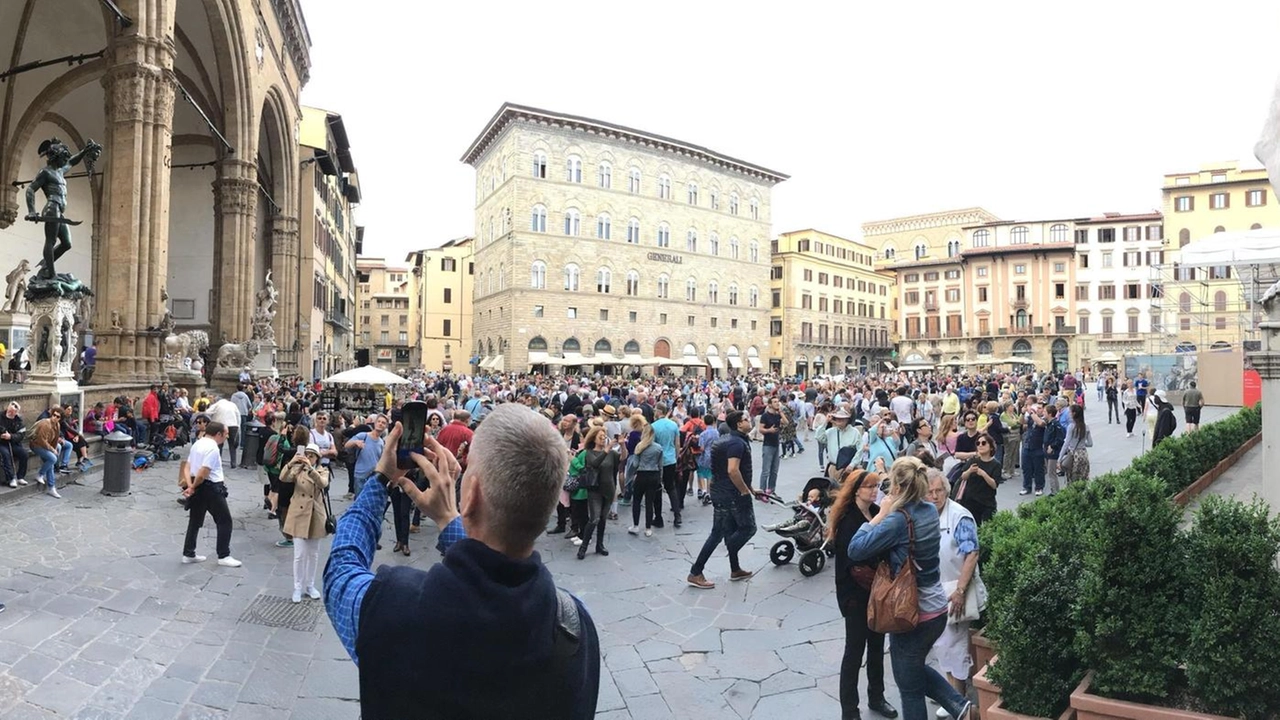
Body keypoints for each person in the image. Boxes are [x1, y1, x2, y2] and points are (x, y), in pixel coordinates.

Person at [322, 406, 600, 719]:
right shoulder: (574, 626)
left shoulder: (394, 604)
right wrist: (450, 519)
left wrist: (382, 479)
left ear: (470, 494)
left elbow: (341, 569)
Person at [847, 457, 973, 720]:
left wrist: (880, 514)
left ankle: (960, 706)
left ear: (896, 485)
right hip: (937, 608)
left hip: (910, 611)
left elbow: (855, 549)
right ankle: (961, 708)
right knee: (912, 669)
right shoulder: (928, 509)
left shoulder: (898, 520)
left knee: (909, 688)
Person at [829, 467, 898, 720]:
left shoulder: (876, 512)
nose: (874, 490)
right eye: (869, 486)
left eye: (876, 486)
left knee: (877, 646)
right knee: (854, 651)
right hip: (855, 595)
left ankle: (876, 696)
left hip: (876, 592)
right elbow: (853, 555)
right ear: (857, 489)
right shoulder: (849, 518)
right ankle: (849, 710)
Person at [926, 469, 986, 713]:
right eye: (929, 492)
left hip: (956, 588)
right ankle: (948, 692)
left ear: (946, 491)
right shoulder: (927, 514)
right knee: (941, 642)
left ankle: (957, 699)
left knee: (956, 642)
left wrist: (960, 590)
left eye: (938, 491)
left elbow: (971, 553)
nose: (934, 496)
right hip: (935, 589)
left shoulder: (959, 516)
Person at [686, 410, 756, 590]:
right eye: (746, 420)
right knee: (745, 528)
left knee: (725, 529)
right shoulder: (736, 443)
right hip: (732, 495)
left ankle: (734, 568)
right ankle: (696, 571)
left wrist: (751, 488)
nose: (750, 422)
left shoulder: (724, 440)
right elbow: (733, 470)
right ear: (739, 424)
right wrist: (744, 491)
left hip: (720, 491)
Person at [181, 421, 242, 567]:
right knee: (224, 521)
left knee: (195, 520)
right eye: (226, 434)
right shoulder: (213, 448)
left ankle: (188, 553)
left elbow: (187, 466)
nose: (226, 437)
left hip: (198, 485)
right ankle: (223, 555)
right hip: (211, 487)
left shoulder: (198, 443)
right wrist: (193, 486)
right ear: (219, 434)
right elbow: (204, 472)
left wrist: (190, 485)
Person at [281, 444, 329, 603]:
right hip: (298, 514)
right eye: (306, 454)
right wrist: (293, 461)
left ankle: (310, 585)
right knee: (299, 554)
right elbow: (283, 477)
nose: (308, 458)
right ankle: (297, 587)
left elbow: (323, 483)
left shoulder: (322, 470)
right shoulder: (297, 470)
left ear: (317, 458)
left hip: (315, 515)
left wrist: (310, 469)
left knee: (313, 554)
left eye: (312, 455)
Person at [578, 427, 618, 559]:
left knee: (603, 518)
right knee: (594, 518)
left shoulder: (612, 453)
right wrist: (606, 450)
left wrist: (622, 445)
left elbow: (623, 458)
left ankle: (599, 545)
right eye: (600, 436)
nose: (603, 438)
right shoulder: (589, 452)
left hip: (608, 489)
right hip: (594, 490)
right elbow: (594, 463)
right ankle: (583, 546)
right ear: (594, 438)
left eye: (604, 436)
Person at [952, 432, 999, 526]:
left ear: (991, 447)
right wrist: (969, 471)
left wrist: (984, 474)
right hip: (970, 501)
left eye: (984, 443)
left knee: (988, 528)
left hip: (987, 502)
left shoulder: (995, 464)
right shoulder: (973, 461)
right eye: (978, 443)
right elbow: (963, 477)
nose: (980, 445)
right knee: (973, 527)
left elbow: (994, 485)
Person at [627, 420, 663, 537]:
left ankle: (636, 525)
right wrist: (660, 479)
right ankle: (648, 528)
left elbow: (635, 464)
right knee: (649, 502)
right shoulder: (658, 448)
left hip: (642, 474)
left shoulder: (640, 446)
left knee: (636, 500)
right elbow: (660, 465)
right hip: (654, 475)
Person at [344, 414, 388, 496]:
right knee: (359, 501)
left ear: (385, 427)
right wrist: (355, 442)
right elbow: (347, 445)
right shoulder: (363, 435)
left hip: (373, 477)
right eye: (379, 421)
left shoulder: (381, 442)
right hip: (360, 474)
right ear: (375, 423)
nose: (380, 424)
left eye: (383, 423)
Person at [29, 408, 65, 498]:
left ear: (60, 418)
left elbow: (55, 439)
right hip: (36, 445)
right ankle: (40, 474)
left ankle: (51, 487)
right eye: (54, 415)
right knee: (53, 458)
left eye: (57, 416)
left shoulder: (57, 425)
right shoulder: (46, 424)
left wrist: (55, 447)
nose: (55, 417)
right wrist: (52, 450)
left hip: (45, 445)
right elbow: (41, 440)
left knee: (51, 463)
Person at [1059, 403, 1092, 484]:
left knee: (1072, 479)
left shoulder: (1071, 426)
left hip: (1074, 454)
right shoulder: (1085, 426)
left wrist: (1059, 459)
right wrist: (1083, 443)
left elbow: (1066, 443)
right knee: (1083, 478)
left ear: (1074, 413)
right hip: (1083, 454)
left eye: (1070, 412)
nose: (1069, 414)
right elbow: (1090, 444)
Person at [206, 393, 241, 466]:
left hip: (220, 425)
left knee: (219, 444)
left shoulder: (217, 404)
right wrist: (238, 425)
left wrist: (214, 417)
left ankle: (218, 461)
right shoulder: (232, 404)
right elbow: (238, 415)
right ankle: (233, 462)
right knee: (232, 444)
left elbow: (207, 412)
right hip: (233, 425)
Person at [1, 401, 29, 488]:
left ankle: (20, 476)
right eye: (9, 410)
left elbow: (21, 435)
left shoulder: (19, 421)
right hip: (1, 443)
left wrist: (10, 437)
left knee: (24, 454)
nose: (9, 412)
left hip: (12, 442)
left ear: (16, 413)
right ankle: (11, 478)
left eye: (12, 411)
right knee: (6, 454)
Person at [759, 396, 783, 495]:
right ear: (769, 404)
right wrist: (769, 430)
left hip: (776, 444)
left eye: (778, 401)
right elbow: (760, 429)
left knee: (774, 470)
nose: (777, 403)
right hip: (768, 445)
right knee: (766, 470)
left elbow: (786, 422)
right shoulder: (765, 416)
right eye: (775, 402)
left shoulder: (778, 415)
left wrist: (781, 412)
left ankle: (771, 490)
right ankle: (762, 491)